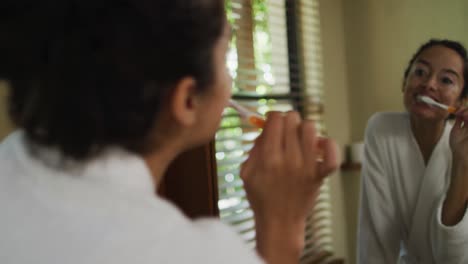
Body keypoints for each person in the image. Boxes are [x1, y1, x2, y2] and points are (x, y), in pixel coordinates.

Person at [0, 1, 339, 263]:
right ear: (188, 99)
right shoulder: (189, 254)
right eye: (225, 58)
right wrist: (282, 228)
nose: (229, 80)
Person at [357, 39, 468, 263]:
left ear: (462, 101)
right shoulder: (382, 130)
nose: (429, 84)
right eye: (420, 72)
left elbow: (454, 256)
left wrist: (462, 162)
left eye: (446, 80)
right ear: (404, 82)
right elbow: (376, 238)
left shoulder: (464, 144)